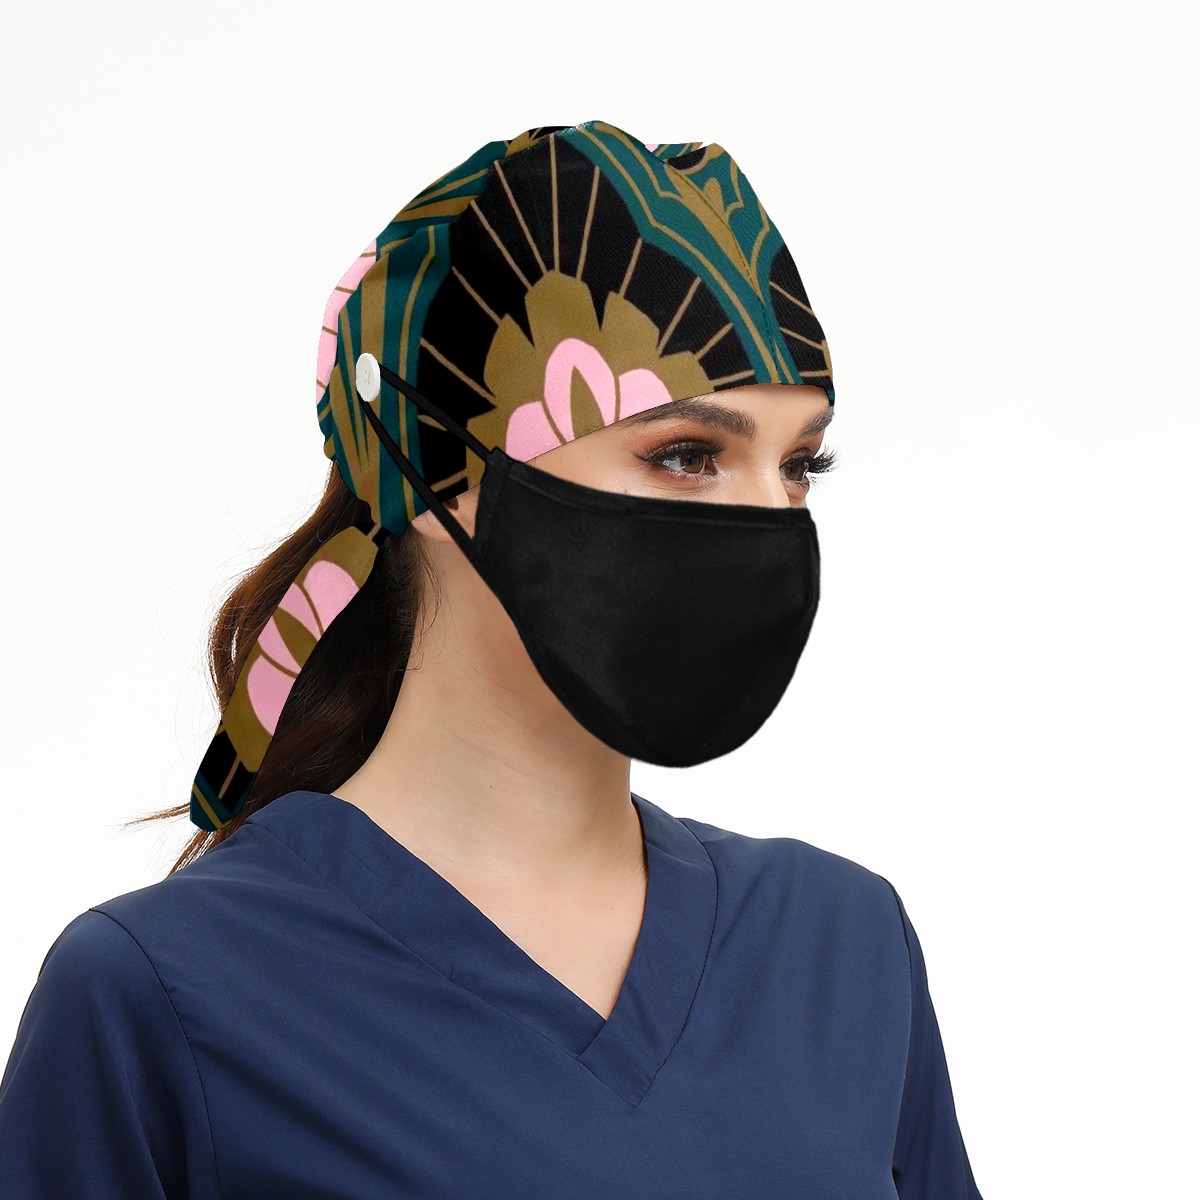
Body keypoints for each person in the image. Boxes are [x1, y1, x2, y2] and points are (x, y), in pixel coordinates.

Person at [0, 119, 984, 1198]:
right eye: (686, 455)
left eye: (800, 466)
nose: (771, 523)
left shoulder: (841, 946)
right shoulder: (160, 995)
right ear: (438, 478)